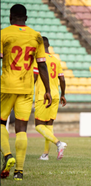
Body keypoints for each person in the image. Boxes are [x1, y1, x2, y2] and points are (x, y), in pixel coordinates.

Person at [0, 4, 52, 181]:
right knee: (21, 129)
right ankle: (19, 172)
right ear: (26, 18)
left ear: (10, 17)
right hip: (27, 87)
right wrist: (48, 91)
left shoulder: (4, 33)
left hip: (6, 86)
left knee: (0, 122)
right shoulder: (36, 37)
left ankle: (7, 155)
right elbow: (42, 65)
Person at [33, 36, 67, 161]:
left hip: (44, 95)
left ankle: (59, 143)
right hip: (56, 95)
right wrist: (63, 94)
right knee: (49, 126)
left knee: (38, 125)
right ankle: (45, 155)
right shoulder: (56, 60)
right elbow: (62, 79)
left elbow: (35, 77)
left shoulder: (39, 59)